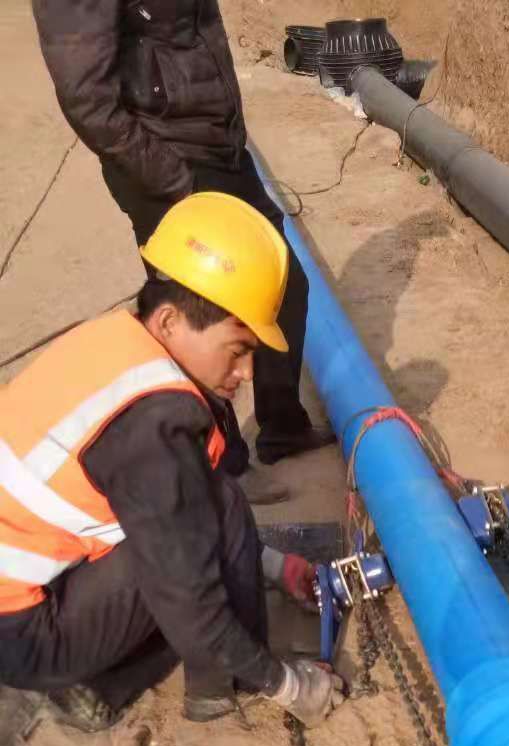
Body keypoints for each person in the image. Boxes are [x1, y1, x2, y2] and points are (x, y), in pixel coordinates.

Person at [0, 193, 344, 733]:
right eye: (237, 350)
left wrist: (275, 566)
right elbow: (189, 593)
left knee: (204, 507)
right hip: (22, 634)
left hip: (32, 590)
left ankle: (106, 675)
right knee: (195, 553)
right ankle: (207, 685)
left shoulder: (119, 342)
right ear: (169, 320)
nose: (247, 373)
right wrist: (289, 685)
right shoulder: (152, 425)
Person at [30, 0, 333, 491]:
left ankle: (282, 426)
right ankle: (223, 470)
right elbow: (87, 99)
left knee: (284, 285)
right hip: (167, 158)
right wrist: (173, 180)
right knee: (204, 321)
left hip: (219, 146)